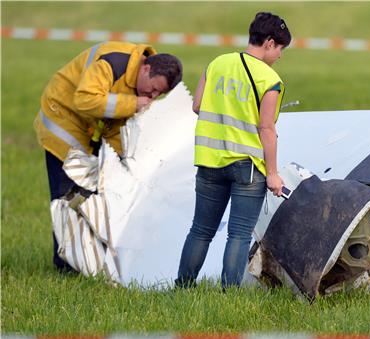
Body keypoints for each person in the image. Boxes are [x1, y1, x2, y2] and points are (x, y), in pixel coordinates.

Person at [34, 41, 183, 272]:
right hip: (62, 121)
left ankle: (85, 259)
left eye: (158, 94)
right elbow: (85, 99)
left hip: (86, 129)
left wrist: (123, 164)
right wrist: (133, 103)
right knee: (68, 196)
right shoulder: (112, 62)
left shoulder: (137, 84)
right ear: (146, 69)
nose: (151, 97)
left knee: (93, 194)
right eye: (153, 89)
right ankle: (65, 267)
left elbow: (114, 126)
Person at [176, 12, 291, 288]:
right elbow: (266, 129)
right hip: (248, 167)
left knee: (200, 230)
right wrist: (273, 174)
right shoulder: (269, 79)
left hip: (209, 161)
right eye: (280, 49)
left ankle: (182, 287)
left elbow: (197, 105)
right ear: (270, 42)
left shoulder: (217, 63)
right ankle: (230, 295)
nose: (280, 56)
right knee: (238, 235)